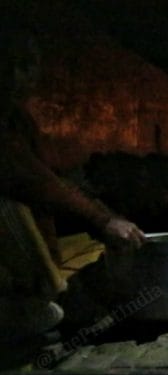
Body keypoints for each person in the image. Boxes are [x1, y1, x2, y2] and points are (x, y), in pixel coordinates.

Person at [0, 26, 146, 342]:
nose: (15, 76)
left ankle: (40, 295)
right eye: (7, 64)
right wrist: (102, 220)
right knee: (8, 207)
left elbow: (54, 176)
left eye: (26, 65)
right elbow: (29, 180)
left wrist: (106, 213)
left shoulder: (18, 120)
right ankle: (25, 303)